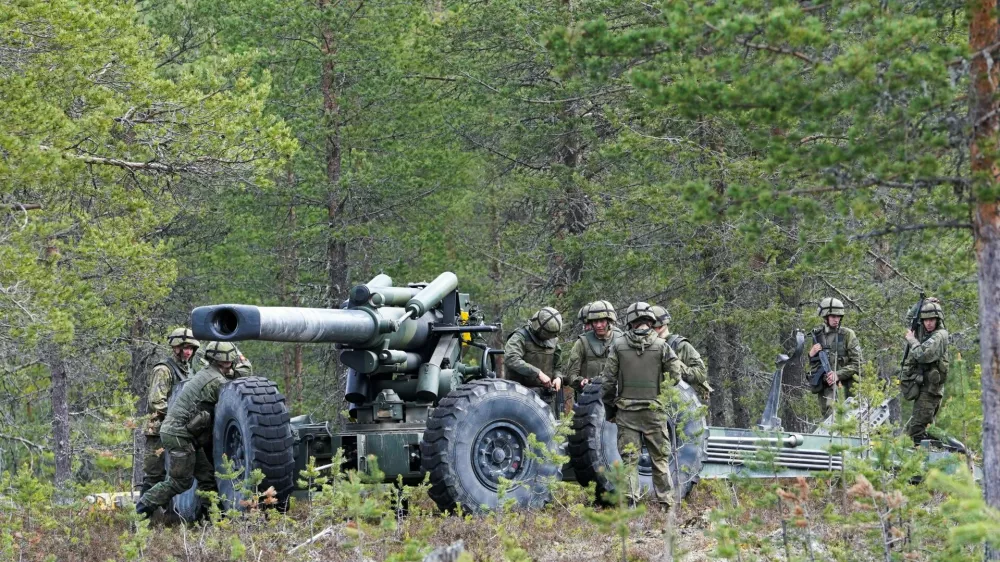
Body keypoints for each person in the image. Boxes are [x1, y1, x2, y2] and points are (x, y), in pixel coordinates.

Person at [136, 341, 241, 517]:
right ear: (226, 361)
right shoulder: (215, 380)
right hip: (179, 435)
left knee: (207, 477)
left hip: (182, 434)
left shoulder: (209, 373)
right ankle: (140, 511)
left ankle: (213, 518)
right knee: (179, 482)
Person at [601, 302, 684, 507]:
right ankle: (666, 504)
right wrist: (661, 397)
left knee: (630, 461)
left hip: (627, 414)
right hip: (655, 413)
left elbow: (608, 383)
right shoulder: (662, 346)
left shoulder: (618, 346)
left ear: (630, 322)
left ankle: (630, 506)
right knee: (660, 460)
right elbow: (676, 375)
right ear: (650, 322)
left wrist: (611, 410)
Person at [141, 328, 199, 495]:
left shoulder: (189, 370)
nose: (188, 352)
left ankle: (169, 516)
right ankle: (144, 517)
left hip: (179, 431)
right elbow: (156, 401)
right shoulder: (163, 370)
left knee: (177, 475)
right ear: (176, 347)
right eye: (185, 347)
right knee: (154, 474)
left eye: (191, 348)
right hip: (158, 430)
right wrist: (178, 416)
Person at [901, 298, 949, 446]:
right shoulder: (923, 329)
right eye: (926, 320)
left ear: (937, 319)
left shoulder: (940, 335)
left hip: (930, 391)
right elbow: (910, 319)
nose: (928, 323)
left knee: (916, 430)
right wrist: (921, 304)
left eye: (932, 320)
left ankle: (933, 456)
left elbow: (923, 354)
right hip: (922, 387)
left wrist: (912, 340)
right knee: (918, 427)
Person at [807, 297, 862, 419]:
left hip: (846, 388)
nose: (836, 320)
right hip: (827, 390)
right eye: (833, 316)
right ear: (825, 317)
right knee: (829, 419)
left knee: (848, 421)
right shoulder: (817, 335)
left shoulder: (847, 334)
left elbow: (858, 363)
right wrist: (811, 355)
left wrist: (838, 374)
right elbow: (814, 365)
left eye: (838, 317)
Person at [504, 307, 564, 416]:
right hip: (520, 396)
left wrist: (557, 377)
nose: (548, 338)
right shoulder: (520, 337)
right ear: (538, 327)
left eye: (551, 335)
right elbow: (511, 358)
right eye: (546, 334)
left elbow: (557, 366)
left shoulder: (553, 340)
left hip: (546, 397)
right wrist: (538, 373)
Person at [650, 305, 712, 404]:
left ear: (659, 326)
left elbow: (701, 373)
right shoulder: (648, 346)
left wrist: (673, 368)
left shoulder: (680, 345)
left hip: (683, 403)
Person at [564, 300, 622, 393]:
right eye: (595, 321)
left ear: (609, 320)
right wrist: (581, 382)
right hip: (588, 398)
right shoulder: (582, 342)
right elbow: (571, 374)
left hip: (615, 399)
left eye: (602, 321)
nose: (599, 325)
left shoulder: (621, 341)